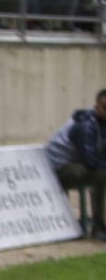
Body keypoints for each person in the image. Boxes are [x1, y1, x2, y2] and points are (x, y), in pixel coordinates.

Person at [45, 89, 106, 241]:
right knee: (101, 175)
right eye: (105, 107)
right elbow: (90, 160)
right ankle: (98, 226)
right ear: (96, 107)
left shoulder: (102, 123)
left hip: (76, 162)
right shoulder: (85, 126)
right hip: (58, 168)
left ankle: (98, 224)